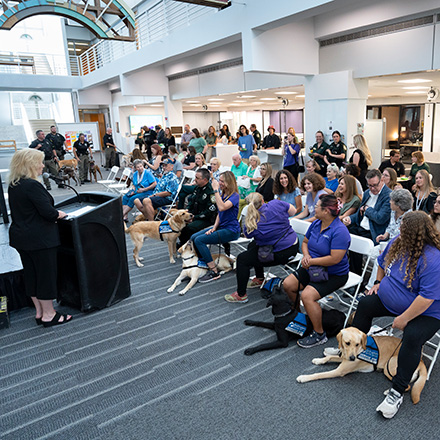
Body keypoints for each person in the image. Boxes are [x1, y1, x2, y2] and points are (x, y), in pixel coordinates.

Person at [350, 212, 440, 419]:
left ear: (416, 235)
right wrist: (377, 283)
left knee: (412, 336)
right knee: (365, 304)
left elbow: (426, 299)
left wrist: (404, 319)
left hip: (426, 312)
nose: (399, 232)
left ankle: (397, 390)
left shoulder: (433, 259)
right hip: (391, 299)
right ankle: (356, 349)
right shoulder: (399, 242)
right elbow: (382, 263)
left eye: (403, 230)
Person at [8, 148, 72, 327]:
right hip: (40, 239)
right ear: (30, 164)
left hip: (22, 238)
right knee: (45, 276)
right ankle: (49, 315)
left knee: (31, 275)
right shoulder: (32, 185)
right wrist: (59, 213)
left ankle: (39, 312)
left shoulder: (14, 184)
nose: (43, 165)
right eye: (40, 162)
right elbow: (48, 213)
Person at [283, 194, 350, 347]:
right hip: (312, 267)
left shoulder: (340, 231)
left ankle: (320, 334)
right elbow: (305, 242)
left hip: (334, 274)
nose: (314, 209)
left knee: (307, 296)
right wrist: (306, 256)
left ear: (326, 211)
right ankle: (301, 316)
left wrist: (310, 260)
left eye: (317, 206)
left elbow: (335, 259)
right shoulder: (317, 223)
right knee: (288, 285)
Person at [225, 193, 299, 302]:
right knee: (252, 246)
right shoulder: (276, 203)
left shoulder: (252, 222)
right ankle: (259, 278)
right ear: (263, 200)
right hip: (293, 245)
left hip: (279, 253)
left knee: (242, 259)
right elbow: (293, 211)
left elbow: (247, 235)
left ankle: (241, 295)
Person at [192, 171, 240, 283]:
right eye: (220, 180)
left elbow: (222, 207)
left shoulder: (234, 196)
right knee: (194, 237)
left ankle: (214, 271)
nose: (220, 183)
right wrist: (214, 227)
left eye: (222, 181)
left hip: (231, 230)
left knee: (200, 241)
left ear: (229, 182)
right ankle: (206, 262)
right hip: (221, 227)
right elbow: (219, 213)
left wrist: (215, 191)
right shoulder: (223, 193)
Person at [343, 169, 392, 274]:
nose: (372, 188)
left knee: (355, 244)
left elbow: (380, 218)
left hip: (374, 232)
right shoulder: (367, 193)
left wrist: (367, 209)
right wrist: (350, 219)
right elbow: (359, 215)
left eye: (375, 185)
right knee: (341, 235)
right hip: (360, 227)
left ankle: (355, 275)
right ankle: (343, 271)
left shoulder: (388, 195)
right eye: (370, 185)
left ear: (382, 180)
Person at [364, 188, 413, 292]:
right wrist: (384, 235)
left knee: (379, 260)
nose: (389, 202)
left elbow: (406, 240)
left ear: (398, 204)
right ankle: (386, 275)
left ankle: (370, 288)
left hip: (400, 247)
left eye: (392, 200)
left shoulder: (409, 218)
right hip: (389, 242)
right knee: (370, 254)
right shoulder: (393, 211)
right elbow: (390, 226)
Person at [178, 168, 217, 246]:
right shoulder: (197, 188)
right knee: (179, 222)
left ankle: (188, 245)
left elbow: (210, 211)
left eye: (197, 178)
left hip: (206, 219)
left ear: (205, 180)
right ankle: (184, 243)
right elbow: (191, 201)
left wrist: (194, 218)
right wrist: (187, 210)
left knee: (189, 228)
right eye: (195, 177)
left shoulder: (210, 191)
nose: (195, 180)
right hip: (194, 215)